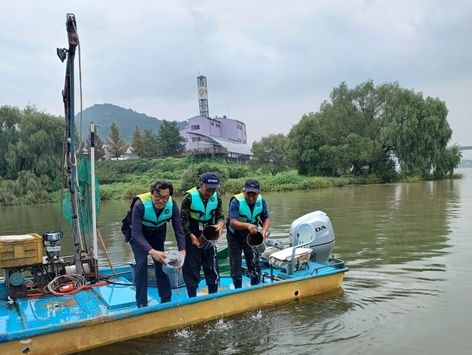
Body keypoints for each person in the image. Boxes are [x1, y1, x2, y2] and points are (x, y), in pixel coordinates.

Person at [129, 180, 186, 307]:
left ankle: (166, 300)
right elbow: (136, 234)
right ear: (152, 194)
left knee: (162, 263)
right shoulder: (140, 205)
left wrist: (183, 251)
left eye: (165, 197)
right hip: (139, 235)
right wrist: (152, 251)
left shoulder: (172, 205)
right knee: (141, 264)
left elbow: (179, 230)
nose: (161, 201)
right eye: (158, 196)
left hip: (157, 233)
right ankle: (142, 303)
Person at [180, 172, 225, 297]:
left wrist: (220, 225)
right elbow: (182, 220)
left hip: (209, 236)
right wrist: (189, 234)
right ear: (201, 185)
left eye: (213, 189)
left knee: (211, 267)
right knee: (191, 269)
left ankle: (213, 296)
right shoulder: (189, 197)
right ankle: (192, 298)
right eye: (208, 189)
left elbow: (220, 216)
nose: (210, 192)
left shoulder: (217, 197)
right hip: (191, 235)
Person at [226, 179, 271, 289]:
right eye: (248, 194)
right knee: (235, 263)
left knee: (254, 263)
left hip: (251, 237)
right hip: (235, 236)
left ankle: (255, 287)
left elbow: (266, 219)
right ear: (244, 191)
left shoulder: (261, 201)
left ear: (258, 193)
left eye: (254, 195)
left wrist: (264, 231)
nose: (251, 198)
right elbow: (232, 222)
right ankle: (238, 289)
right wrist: (247, 225)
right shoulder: (236, 201)